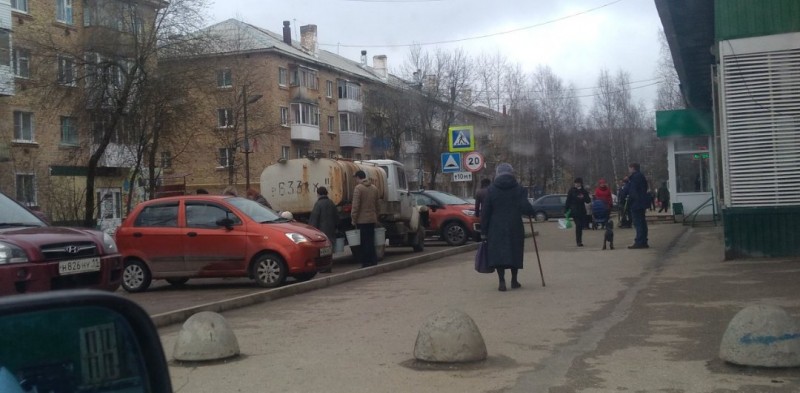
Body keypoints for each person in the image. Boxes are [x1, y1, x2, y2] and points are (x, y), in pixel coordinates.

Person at [480, 163, 535, 292]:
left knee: (499, 253)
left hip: (496, 227)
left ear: (497, 174)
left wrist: (483, 231)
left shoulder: (491, 190)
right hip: (514, 225)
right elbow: (525, 207)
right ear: (512, 173)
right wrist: (531, 212)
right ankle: (514, 280)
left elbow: (485, 212)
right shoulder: (519, 189)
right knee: (515, 251)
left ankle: (501, 281)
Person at [351, 170, 380, 268]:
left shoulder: (358, 189)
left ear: (358, 177)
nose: (355, 180)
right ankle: (373, 260)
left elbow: (356, 206)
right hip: (372, 219)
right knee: (371, 240)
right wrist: (376, 216)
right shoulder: (374, 188)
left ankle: (366, 262)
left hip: (362, 220)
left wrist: (353, 219)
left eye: (355, 178)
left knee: (363, 241)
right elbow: (377, 205)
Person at [310, 186, 338, 273]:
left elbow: (314, 218)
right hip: (331, 229)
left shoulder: (318, 204)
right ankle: (328, 266)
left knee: (322, 250)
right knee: (330, 248)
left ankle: (323, 267)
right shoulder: (331, 203)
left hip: (321, 230)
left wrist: (311, 230)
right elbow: (336, 217)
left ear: (318, 194)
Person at [627, 163, 649, 249]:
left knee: (638, 223)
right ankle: (643, 241)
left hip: (636, 203)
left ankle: (639, 241)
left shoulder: (634, 177)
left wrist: (630, 201)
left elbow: (633, 191)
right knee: (642, 222)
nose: (629, 170)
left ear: (633, 168)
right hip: (642, 202)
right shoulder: (641, 176)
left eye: (629, 168)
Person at [565, 178, 591, 247]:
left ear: (580, 183)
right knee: (578, 225)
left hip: (582, 211)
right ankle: (578, 241)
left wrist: (583, 197)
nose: (576, 184)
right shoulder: (571, 190)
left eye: (578, 183)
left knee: (580, 226)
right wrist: (566, 210)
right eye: (575, 183)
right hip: (574, 211)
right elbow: (568, 200)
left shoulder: (583, 191)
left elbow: (588, 201)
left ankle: (580, 240)